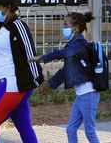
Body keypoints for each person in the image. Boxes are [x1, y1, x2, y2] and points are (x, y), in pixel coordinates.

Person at [0, 0, 44, 143]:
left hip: (14, 84)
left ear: (8, 8)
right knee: (24, 126)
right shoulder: (4, 28)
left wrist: (39, 80)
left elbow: (30, 54)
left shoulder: (18, 26)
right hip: (8, 84)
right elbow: (6, 57)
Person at [28, 12, 100, 143]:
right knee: (71, 130)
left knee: (89, 131)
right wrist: (49, 84)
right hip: (81, 96)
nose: (63, 28)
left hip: (88, 95)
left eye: (66, 25)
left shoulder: (80, 45)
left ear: (76, 28)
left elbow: (63, 53)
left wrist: (41, 58)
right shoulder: (73, 45)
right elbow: (65, 70)